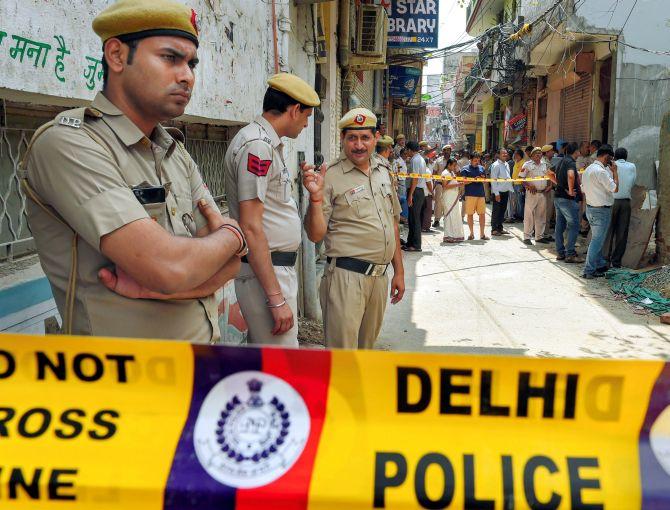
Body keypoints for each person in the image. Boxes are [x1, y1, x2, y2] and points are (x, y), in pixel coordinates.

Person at [21, 0, 244, 341]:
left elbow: (230, 265)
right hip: (122, 382)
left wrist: (179, 279)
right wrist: (231, 237)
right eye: (170, 58)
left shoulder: (173, 150)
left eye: (191, 64)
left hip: (197, 366)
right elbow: (169, 267)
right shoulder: (70, 144)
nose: (186, 76)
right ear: (117, 55)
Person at [225, 73, 322, 346]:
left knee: (270, 363)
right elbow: (251, 225)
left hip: (273, 272)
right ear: (294, 110)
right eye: (306, 117)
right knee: (280, 368)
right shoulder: (257, 146)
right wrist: (276, 298)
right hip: (267, 274)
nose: (305, 124)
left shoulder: (267, 144)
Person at [304, 108, 405, 349]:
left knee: (365, 354)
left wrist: (398, 271)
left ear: (375, 138)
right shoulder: (330, 175)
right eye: (352, 138)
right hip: (346, 280)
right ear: (342, 139)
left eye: (365, 138)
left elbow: (392, 223)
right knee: (342, 358)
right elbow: (314, 234)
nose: (358, 145)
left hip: (379, 279)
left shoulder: (383, 170)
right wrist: (315, 200)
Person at [581, 144, 619, 279]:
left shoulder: (589, 169)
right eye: (611, 158)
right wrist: (615, 172)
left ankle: (598, 265)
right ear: (607, 156)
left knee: (596, 240)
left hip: (591, 208)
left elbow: (583, 189)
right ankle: (588, 270)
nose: (611, 161)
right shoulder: (601, 172)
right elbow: (614, 189)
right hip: (601, 210)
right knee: (597, 241)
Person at [550, 142, 583, 263]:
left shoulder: (561, 161)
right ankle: (570, 254)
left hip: (558, 197)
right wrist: (569, 190)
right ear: (575, 151)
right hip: (567, 199)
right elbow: (570, 175)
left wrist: (559, 184)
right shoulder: (570, 162)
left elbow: (548, 173)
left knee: (560, 226)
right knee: (574, 225)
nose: (580, 152)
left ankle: (560, 253)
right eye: (579, 150)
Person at [605, 147, 636, 268]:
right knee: (622, 233)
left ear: (615, 157)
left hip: (612, 201)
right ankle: (616, 261)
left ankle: (605, 259)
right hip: (626, 202)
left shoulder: (610, 166)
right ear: (626, 156)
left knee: (609, 231)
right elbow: (632, 182)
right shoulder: (632, 166)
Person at [519, 147, 551, 245]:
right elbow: (520, 178)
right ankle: (527, 237)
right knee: (529, 215)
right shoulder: (527, 165)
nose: (538, 155)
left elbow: (549, 176)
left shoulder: (545, 165)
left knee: (541, 216)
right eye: (536, 153)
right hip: (532, 193)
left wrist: (550, 185)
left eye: (540, 153)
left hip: (542, 193)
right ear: (532, 155)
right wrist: (528, 186)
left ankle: (539, 237)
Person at [405, 141, 431, 251]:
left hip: (415, 191)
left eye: (407, 150)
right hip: (418, 191)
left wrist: (410, 195)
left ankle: (416, 245)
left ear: (410, 150)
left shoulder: (415, 160)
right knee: (412, 218)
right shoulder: (419, 159)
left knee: (415, 219)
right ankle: (410, 242)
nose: (406, 152)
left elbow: (415, 179)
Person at [460, 152, 488, 241]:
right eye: (475, 160)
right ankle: (471, 234)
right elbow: (463, 182)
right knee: (470, 214)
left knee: (482, 214)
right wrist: (473, 180)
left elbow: (484, 181)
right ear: (470, 160)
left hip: (481, 194)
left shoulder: (482, 168)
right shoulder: (465, 169)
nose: (477, 162)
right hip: (470, 195)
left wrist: (482, 179)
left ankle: (482, 234)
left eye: (478, 160)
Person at [440, 158, 465, 243]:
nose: (455, 167)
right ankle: (448, 235)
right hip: (448, 197)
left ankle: (455, 235)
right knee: (449, 215)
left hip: (454, 196)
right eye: (454, 165)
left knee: (455, 215)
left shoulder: (452, 173)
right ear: (449, 165)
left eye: (455, 165)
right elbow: (445, 186)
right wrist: (458, 184)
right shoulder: (445, 173)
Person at [490, 149, 514, 236]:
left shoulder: (506, 164)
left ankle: (500, 228)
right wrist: (496, 193)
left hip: (506, 190)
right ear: (498, 155)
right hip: (498, 191)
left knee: (502, 211)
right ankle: (494, 229)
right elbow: (493, 180)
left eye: (506, 153)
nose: (505, 154)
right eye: (503, 153)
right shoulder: (495, 165)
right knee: (496, 210)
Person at [432, 144, 452, 227]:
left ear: (450, 151)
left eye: (448, 150)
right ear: (443, 151)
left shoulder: (453, 161)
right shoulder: (438, 161)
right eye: (445, 150)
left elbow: (457, 172)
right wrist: (433, 185)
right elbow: (434, 173)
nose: (447, 152)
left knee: (449, 202)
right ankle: (437, 219)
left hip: (450, 185)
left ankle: (448, 219)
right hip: (440, 184)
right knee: (438, 202)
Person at [393, 148, 409, 224]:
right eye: (405, 154)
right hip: (400, 181)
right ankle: (401, 218)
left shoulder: (403, 161)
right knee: (401, 200)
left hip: (403, 181)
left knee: (403, 200)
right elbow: (397, 172)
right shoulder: (398, 162)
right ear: (402, 154)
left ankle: (402, 217)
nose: (406, 155)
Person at [510, 148, 526, 221]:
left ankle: (521, 216)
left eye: (516, 155)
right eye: (514, 154)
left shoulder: (523, 163)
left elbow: (523, 175)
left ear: (520, 155)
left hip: (520, 185)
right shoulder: (516, 162)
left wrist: (523, 186)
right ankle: (517, 214)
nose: (515, 156)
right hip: (515, 184)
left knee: (520, 201)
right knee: (516, 201)